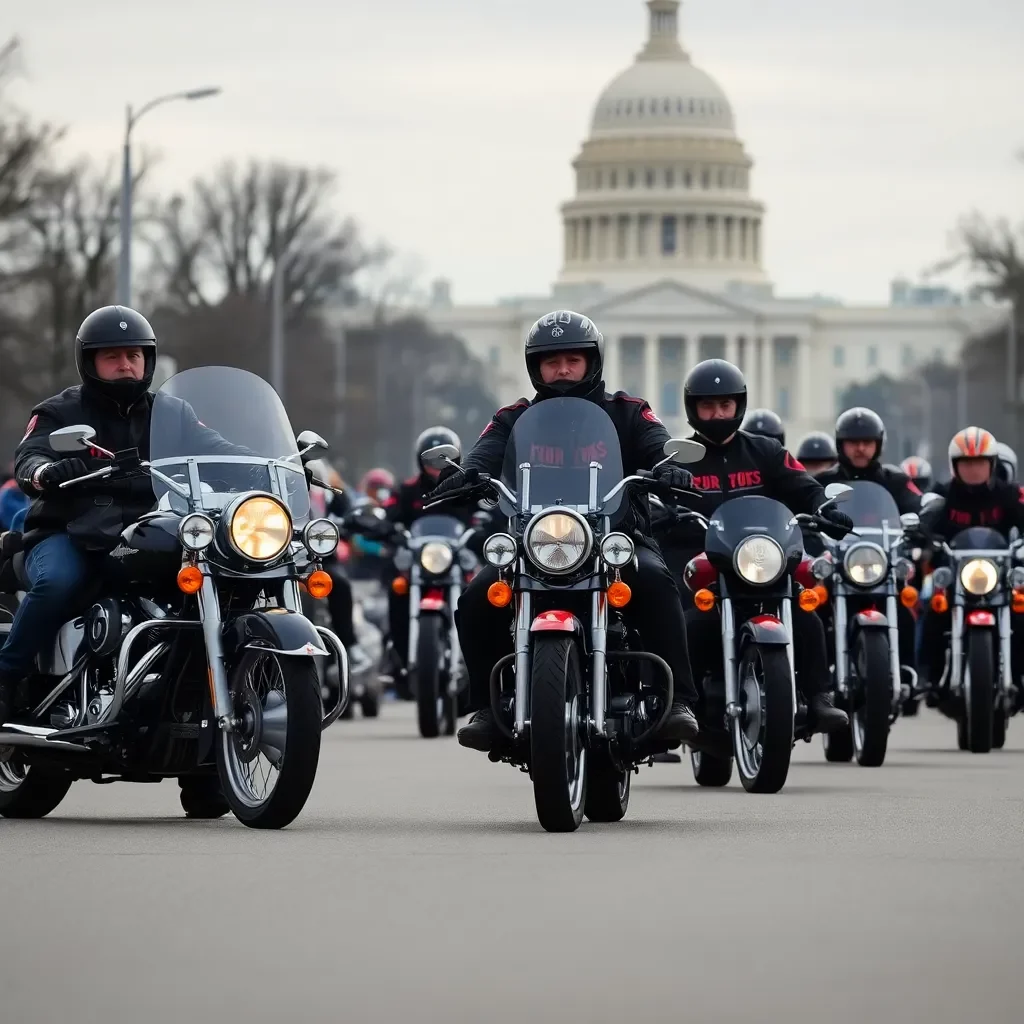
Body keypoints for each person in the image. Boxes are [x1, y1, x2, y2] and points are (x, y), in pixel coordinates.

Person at [429, 310, 701, 752]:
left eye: (572, 360)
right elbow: (486, 452)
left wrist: (667, 470)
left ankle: (678, 703)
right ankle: (487, 704)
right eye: (550, 362)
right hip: (533, 542)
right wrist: (468, 474)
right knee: (478, 597)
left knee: (654, 580)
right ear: (534, 367)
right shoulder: (513, 417)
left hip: (615, 537)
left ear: (592, 362)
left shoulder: (628, 412)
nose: (562, 370)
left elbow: (656, 444)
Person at [0, 305, 241, 725]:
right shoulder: (60, 412)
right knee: (59, 581)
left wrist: (276, 461)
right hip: (67, 534)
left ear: (147, 360)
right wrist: (47, 471)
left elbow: (216, 450)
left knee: (217, 575)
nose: (126, 365)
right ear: (90, 362)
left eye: (134, 355)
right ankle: (7, 679)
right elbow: (29, 458)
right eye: (112, 356)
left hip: (143, 532)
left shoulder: (171, 413)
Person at [674, 359, 851, 734]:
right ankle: (678, 705)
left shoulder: (766, 451)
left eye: (726, 405)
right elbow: (658, 495)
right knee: (685, 625)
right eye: (708, 405)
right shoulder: (680, 458)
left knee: (807, 617)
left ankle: (819, 698)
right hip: (708, 569)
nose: (718, 414)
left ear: (739, 406)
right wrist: (663, 513)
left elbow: (802, 485)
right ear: (693, 409)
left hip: (761, 563)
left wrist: (825, 508)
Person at [916, 427, 1024, 690]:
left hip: (999, 574)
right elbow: (925, 523)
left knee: (1021, 612)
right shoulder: (944, 495)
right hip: (955, 573)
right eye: (966, 463)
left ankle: (1019, 676)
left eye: (979, 463)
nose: (973, 469)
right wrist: (926, 538)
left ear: (991, 465)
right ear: (955, 466)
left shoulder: (1008, 494)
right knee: (933, 608)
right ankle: (929, 676)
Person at [382, 427, 473, 683]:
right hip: (420, 564)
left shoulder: (469, 486)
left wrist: (487, 523)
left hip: (460, 563)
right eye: (430, 460)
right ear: (420, 461)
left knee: (484, 595)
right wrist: (388, 528)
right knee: (396, 590)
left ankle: (485, 659)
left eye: (443, 460)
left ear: (455, 460)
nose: (436, 467)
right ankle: (397, 655)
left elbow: (490, 510)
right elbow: (389, 516)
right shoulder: (407, 490)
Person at [817, 408, 922, 515]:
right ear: (840, 445)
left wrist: (931, 508)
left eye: (867, 442)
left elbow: (920, 505)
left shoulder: (896, 481)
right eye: (853, 442)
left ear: (878, 444)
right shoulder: (821, 483)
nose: (861, 448)